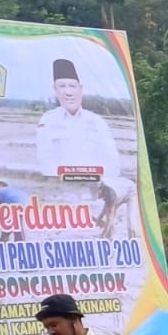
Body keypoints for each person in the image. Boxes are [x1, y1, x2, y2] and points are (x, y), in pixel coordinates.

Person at [35, 58, 133, 237]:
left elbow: (113, 161)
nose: (68, 92)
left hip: (95, 195)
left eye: (72, 86)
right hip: (62, 201)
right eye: (62, 86)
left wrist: (96, 179)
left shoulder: (97, 122)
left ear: (81, 88)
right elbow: (44, 161)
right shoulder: (47, 121)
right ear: (55, 90)